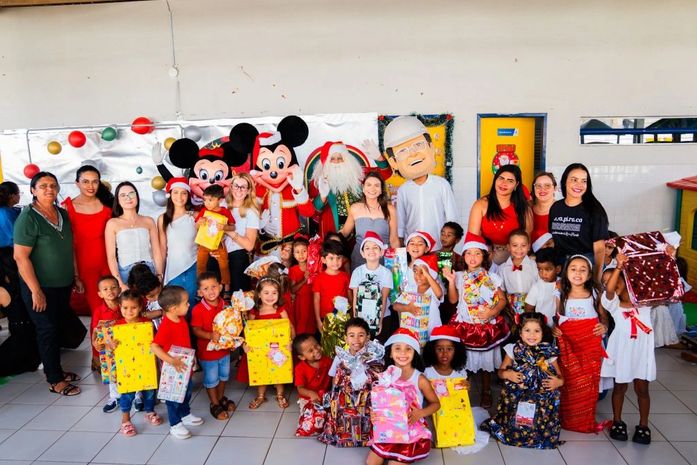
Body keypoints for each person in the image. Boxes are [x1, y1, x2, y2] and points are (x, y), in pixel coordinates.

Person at [14, 171, 81, 396]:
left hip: (62, 284)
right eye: (43, 186)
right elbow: (20, 257)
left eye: (53, 185)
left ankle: (57, 370)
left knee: (57, 327)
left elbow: (69, 248)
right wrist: (35, 291)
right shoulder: (28, 218)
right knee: (47, 330)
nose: (49, 189)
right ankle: (55, 380)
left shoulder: (62, 213)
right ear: (33, 190)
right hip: (39, 287)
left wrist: (75, 276)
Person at [444, 232, 508, 408]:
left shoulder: (491, 277)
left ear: (484, 256)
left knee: (485, 360)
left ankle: (486, 391)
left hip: (485, 325)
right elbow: (453, 300)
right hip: (465, 324)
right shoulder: (458, 276)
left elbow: (502, 300)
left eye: (477, 253)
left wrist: (492, 312)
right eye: (469, 253)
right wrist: (451, 282)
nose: (473, 257)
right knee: (465, 360)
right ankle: (463, 391)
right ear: (463, 256)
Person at [484, 312, 563, 449]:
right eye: (527, 330)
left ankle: (537, 435)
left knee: (538, 420)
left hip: (542, 398)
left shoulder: (548, 351)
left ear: (543, 333)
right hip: (517, 395)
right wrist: (508, 374)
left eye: (536, 331)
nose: (532, 335)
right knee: (518, 419)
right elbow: (500, 372)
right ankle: (515, 433)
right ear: (520, 333)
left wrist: (558, 382)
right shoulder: (513, 349)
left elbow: (561, 377)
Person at [601, 254, 655, 444]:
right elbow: (609, 290)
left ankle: (643, 425)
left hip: (642, 351)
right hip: (622, 351)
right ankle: (617, 421)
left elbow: (658, 284)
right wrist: (617, 267)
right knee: (620, 387)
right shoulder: (612, 303)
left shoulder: (644, 301)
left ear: (626, 279)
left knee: (642, 389)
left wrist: (668, 256)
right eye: (606, 281)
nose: (611, 283)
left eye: (615, 279)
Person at [62, 165, 113, 364]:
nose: (90, 186)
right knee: (99, 312)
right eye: (85, 181)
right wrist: (76, 275)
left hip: (108, 264)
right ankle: (98, 357)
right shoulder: (68, 207)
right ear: (77, 183)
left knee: (113, 309)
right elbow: (69, 244)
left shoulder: (107, 205)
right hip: (85, 268)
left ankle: (115, 355)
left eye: (94, 181)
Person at [382, 115, 457, 250]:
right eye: (403, 151)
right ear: (394, 162)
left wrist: (448, 247)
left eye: (418, 145)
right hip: (414, 248)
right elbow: (401, 221)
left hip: (438, 246)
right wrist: (402, 247)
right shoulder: (404, 190)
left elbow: (452, 218)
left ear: (430, 146)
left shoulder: (441, 185)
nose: (413, 154)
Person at [552, 255, 609, 433]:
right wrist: (555, 329)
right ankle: (567, 417)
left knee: (587, 382)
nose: (578, 273)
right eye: (573, 269)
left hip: (589, 347)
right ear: (566, 272)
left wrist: (604, 326)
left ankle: (584, 418)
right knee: (569, 381)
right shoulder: (560, 293)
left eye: (583, 270)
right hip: (568, 349)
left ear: (590, 274)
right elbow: (557, 319)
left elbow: (603, 316)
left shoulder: (595, 294)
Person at [367, 328, 440, 465]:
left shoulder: (420, 379)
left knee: (394, 464)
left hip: (410, 428)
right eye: (397, 348)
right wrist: (374, 414)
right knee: (371, 462)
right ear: (390, 353)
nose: (403, 353)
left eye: (408, 349)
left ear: (414, 353)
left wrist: (421, 413)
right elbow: (380, 401)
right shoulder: (385, 376)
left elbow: (436, 404)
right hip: (388, 426)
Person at [319, 317, 385, 448]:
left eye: (361, 335)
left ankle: (367, 436)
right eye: (351, 335)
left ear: (368, 337)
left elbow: (379, 380)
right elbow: (334, 378)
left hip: (366, 398)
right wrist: (333, 398)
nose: (356, 340)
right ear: (346, 338)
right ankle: (346, 435)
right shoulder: (340, 356)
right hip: (345, 398)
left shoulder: (373, 356)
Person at [310, 141, 392, 239]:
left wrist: (379, 158)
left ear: (347, 160)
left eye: (340, 158)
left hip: (361, 230)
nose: (336, 162)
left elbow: (386, 174)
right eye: (332, 159)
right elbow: (313, 213)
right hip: (333, 233)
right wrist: (323, 196)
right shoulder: (318, 181)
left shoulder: (360, 174)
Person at [151, 285, 204, 439]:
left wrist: (192, 357)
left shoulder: (181, 319)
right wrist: (171, 361)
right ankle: (175, 424)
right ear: (174, 308)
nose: (189, 304)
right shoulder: (166, 326)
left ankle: (185, 414)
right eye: (186, 303)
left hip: (185, 366)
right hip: (173, 370)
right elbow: (155, 347)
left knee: (187, 391)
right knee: (173, 398)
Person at [548, 163, 609, 285]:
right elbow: (554, 239)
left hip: (585, 267)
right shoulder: (556, 207)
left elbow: (599, 249)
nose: (579, 185)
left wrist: (597, 278)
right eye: (574, 180)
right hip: (562, 266)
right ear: (565, 182)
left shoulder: (594, 210)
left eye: (583, 181)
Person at [112, 290, 161, 437]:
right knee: (127, 393)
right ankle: (126, 419)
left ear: (140, 307)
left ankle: (150, 411)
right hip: (126, 365)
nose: (129, 311)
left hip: (145, 363)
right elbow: (107, 345)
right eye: (125, 307)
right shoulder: (117, 326)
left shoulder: (147, 323)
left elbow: (156, 340)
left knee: (150, 390)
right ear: (120, 307)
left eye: (133, 307)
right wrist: (111, 345)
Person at [190, 272, 236, 420]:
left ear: (221, 287)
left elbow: (232, 325)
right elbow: (195, 330)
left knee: (224, 376)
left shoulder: (226, 305)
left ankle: (221, 398)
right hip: (208, 353)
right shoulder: (198, 309)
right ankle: (214, 404)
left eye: (214, 287)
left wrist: (233, 339)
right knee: (211, 379)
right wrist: (209, 335)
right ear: (200, 292)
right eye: (206, 288)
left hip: (224, 351)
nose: (211, 291)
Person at [243, 277, 294, 409]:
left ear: (279, 294)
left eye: (274, 293)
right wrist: (245, 345)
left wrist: (291, 342)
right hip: (260, 350)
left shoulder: (280, 310)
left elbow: (289, 327)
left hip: (278, 349)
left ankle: (280, 394)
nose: (270, 296)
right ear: (259, 294)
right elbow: (248, 331)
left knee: (280, 369)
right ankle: (261, 395)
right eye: (266, 293)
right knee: (261, 370)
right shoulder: (254, 311)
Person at [468, 164, 533, 265]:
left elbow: (527, 240)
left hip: (515, 255)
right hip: (487, 254)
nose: (504, 183)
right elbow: (473, 239)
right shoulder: (481, 204)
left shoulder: (524, 208)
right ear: (495, 180)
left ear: (516, 185)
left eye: (510, 181)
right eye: (501, 178)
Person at [105, 182, 163, 291]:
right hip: (126, 272)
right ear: (118, 200)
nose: (128, 198)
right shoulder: (113, 223)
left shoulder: (148, 221)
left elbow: (156, 251)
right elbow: (111, 257)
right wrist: (120, 283)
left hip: (148, 270)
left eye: (131, 194)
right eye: (123, 195)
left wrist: (159, 275)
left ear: (137, 196)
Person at [339, 171, 400, 271]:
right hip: (360, 260)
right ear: (363, 188)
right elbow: (345, 232)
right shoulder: (355, 208)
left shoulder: (390, 209)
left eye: (376, 185)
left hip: (383, 260)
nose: (372, 188)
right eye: (369, 185)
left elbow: (394, 240)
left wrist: (398, 267)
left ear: (381, 190)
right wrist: (329, 242)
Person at [158, 177, 197, 306]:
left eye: (183, 193)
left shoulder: (195, 216)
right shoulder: (163, 218)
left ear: (188, 196)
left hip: (193, 266)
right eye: (175, 192)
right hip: (173, 268)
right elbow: (163, 249)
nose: (179, 197)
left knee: (190, 302)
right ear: (169, 195)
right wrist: (160, 273)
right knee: (174, 305)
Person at [349, 231, 393, 338]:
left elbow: (384, 298)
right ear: (363, 253)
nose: (371, 250)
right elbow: (355, 298)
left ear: (381, 252)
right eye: (367, 248)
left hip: (383, 317)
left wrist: (379, 322)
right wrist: (356, 321)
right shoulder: (357, 272)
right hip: (362, 318)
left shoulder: (386, 273)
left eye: (375, 247)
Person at [195, 185, 235, 295]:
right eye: (205, 200)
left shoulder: (225, 212)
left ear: (220, 200)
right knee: (200, 265)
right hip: (204, 243)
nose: (206, 203)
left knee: (224, 265)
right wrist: (200, 222)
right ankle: (200, 288)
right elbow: (196, 226)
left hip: (218, 244)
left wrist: (225, 227)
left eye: (210, 200)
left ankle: (226, 287)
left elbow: (233, 227)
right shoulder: (203, 211)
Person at [223, 172, 259, 292]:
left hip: (238, 257)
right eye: (236, 186)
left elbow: (249, 246)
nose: (239, 190)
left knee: (238, 296)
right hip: (219, 254)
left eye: (243, 187)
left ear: (248, 190)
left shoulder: (251, 212)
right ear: (231, 187)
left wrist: (228, 230)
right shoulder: (222, 205)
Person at [90, 275, 122, 413]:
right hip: (109, 348)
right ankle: (115, 397)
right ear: (100, 294)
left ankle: (137, 396)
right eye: (105, 289)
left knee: (131, 367)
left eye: (113, 287)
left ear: (119, 289)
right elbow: (95, 330)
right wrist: (95, 343)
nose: (110, 291)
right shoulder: (98, 311)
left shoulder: (125, 305)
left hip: (125, 344)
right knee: (111, 370)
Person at [393, 256, 443, 341]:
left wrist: (427, 274)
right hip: (412, 335)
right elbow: (395, 306)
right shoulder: (410, 289)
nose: (417, 276)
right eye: (415, 271)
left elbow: (439, 293)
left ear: (431, 274)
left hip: (432, 334)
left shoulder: (433, 290)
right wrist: (407, 308)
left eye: (422, 273)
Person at [292, 333, 332, 437]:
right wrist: (311, 394)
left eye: (317, 345)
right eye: (310, 351)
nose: (316, 350)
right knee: (313, 419)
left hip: (325, 395)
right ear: (302, 357)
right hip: (308, 399)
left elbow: (334, 377)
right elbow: (300, 389)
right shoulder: (300, 369)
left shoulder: (328, 361)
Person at [498, 229, 539, 316]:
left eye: (523, 245)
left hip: (532, 305)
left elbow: (540, 285)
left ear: (528, 247)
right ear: (508, 247)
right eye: (515, 245)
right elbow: (501, 291)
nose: (519, 249)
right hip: (511, 309)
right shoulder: (502, 269)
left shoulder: (534, 265)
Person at [313, 240, 350, 333]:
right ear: (323, 260)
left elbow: (350, 297)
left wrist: (352, 315)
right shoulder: (319, 278)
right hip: (325, 318)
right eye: (331, 258)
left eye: (338, 258)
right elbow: (316, 300)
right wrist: (318, 320)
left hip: (342, 317)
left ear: (342, 258)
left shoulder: (345, 276)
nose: (335, 261)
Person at [524, 247, 561, 325]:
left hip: (561, 326)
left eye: (548, 269)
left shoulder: (563, 283)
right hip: (542, 326)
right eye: (540, 269)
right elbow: (529, 308)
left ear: (558, 269)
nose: (543, 273)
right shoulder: (537, 287)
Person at [289, 235, 315, 335]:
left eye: (304, 251)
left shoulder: (314, 267)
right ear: (293, 254)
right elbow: (292, 289)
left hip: (313, 300)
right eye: (297, 252)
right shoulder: (293, 270)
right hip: (300, 303)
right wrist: (304, 280)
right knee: (301, 326)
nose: (301, 254)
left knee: (312, 327)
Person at [530, 171, 557, 236]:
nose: (542, 189)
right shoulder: (527, 208)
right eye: (538, 186)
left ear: (555, 188)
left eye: (547, 185)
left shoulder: (562, 210)